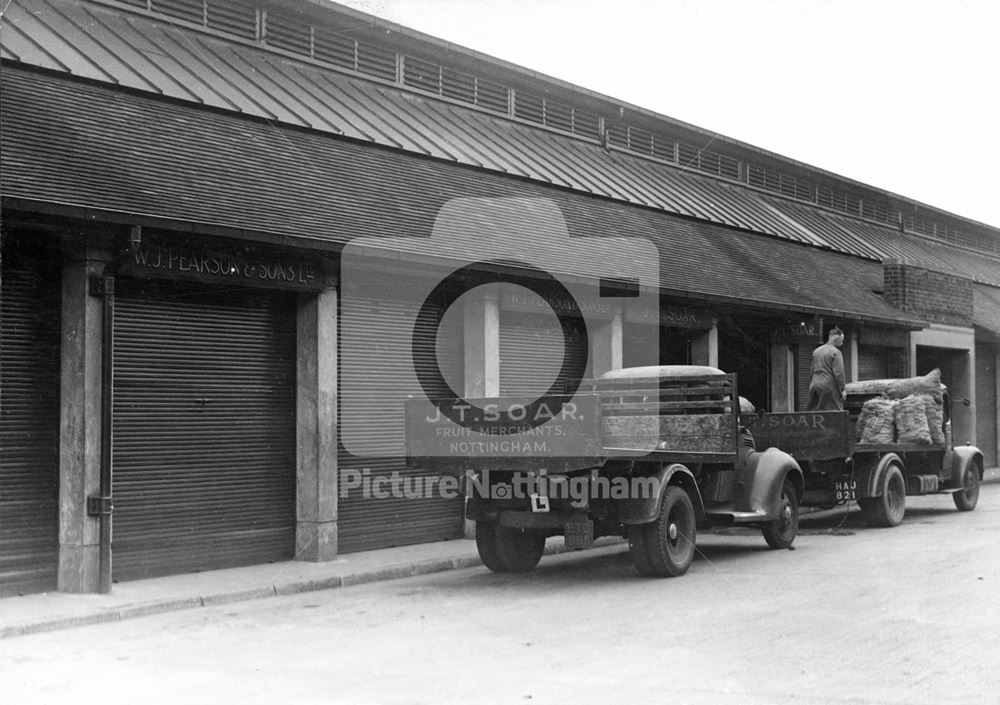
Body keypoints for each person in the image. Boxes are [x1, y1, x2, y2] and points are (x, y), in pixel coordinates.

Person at [807, 327, 846, 411]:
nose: (842, 343)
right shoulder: (836, 352)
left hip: (814, 385)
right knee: (836, 412)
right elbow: (839, 373)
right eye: (841, 340)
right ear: (837, 338)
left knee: (816, 412)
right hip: (829, 386)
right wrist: (842, 389)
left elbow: (811, 371)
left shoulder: (816, 351)